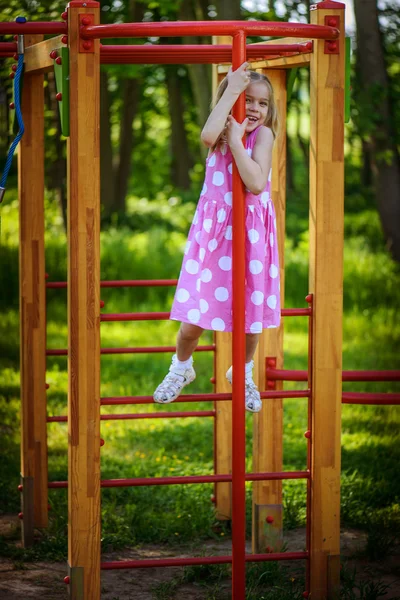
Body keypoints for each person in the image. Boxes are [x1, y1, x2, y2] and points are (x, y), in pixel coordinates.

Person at [154, 62, 280, 412]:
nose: (254, 108)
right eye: (247, 99)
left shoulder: (263, 135)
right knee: (194, 316)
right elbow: (208, 137)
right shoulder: (220, 129)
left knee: (252, 319)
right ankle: (181, 367)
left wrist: (238, 143)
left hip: (251, 235)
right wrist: (231, 92)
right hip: (214, 236)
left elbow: (255, 182)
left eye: (262, 103)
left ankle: (243, 372)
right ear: (232, 99)